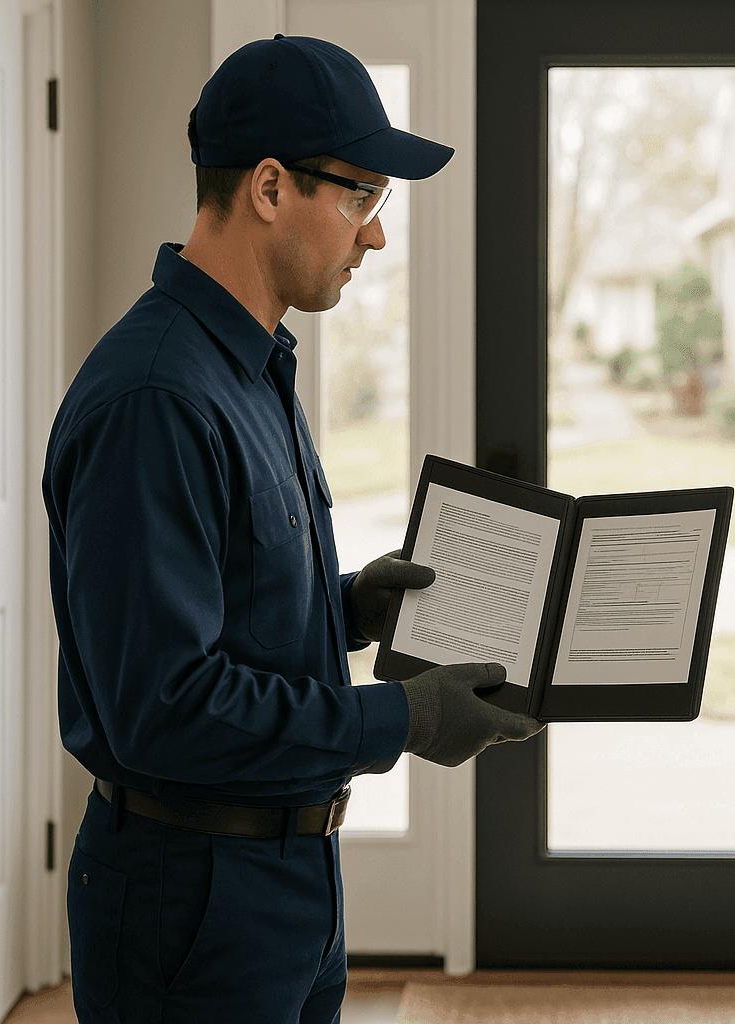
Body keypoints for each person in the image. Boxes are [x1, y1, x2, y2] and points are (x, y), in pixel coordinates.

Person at [43, 35, 542, 1024]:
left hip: (291, 879)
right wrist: (402, 719)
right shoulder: (157, 397)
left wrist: (350, 607)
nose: (376, 234)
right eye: (361, 195)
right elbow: (167, 707)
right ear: (270, 188)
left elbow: (226, 604)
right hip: (192, 900)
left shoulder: (252, 364)